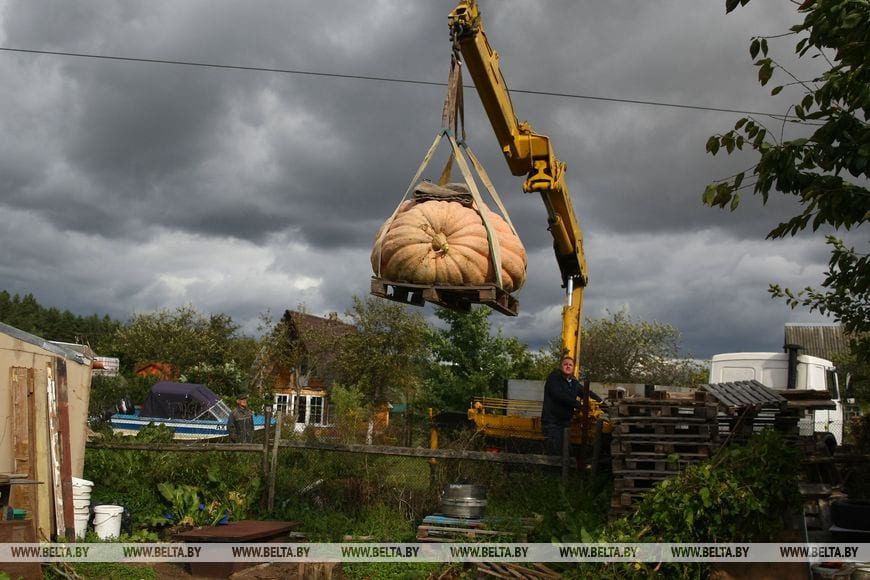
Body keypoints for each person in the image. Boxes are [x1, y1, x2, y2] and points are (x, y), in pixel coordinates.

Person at [541, 356, 602, 455]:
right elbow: (559, 395)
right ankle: (552, 469)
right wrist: (579, 405)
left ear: (573, 368)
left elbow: (587, 393)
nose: (568, 366)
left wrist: (603, 405)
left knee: (565, 451)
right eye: (565, 364)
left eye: (570, 365)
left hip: (565, 422)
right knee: (555, 450)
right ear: (561, 367)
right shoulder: (554, 378)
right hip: (552, 422)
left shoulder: (573, 382)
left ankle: (564, 469)